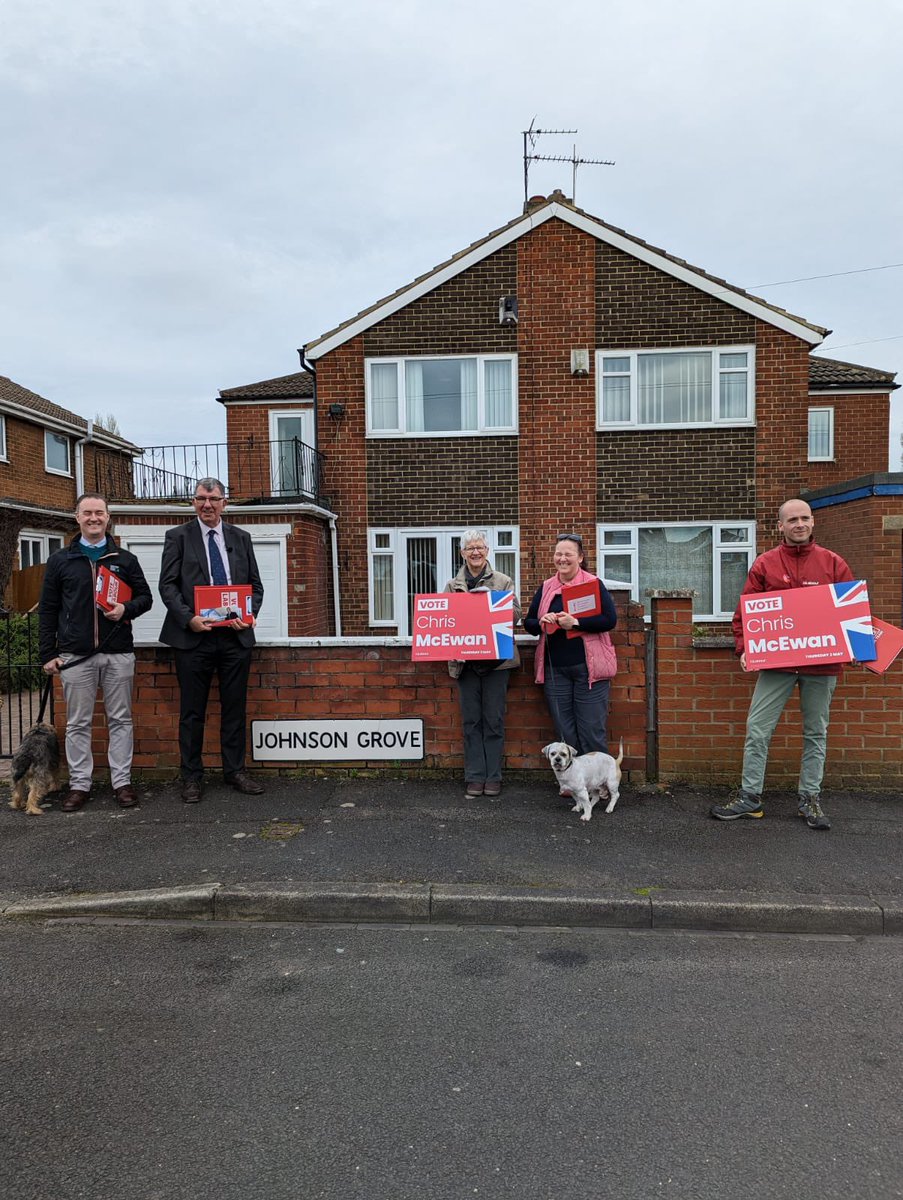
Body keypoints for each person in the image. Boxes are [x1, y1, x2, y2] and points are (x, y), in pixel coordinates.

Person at [710, 498, 854, 831]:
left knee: (816, 733)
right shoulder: (765, 564)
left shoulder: (833, 564)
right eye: (792, 520)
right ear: (780, 526)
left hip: (823, 665)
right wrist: (745, 648)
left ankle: (810, 799)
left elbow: (852, 614)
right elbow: (745, 614)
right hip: (778, 663)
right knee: (758, 730)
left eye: (804, 518)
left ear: (813, 522)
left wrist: (857, 646)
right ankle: (750, 798)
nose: (799, 524)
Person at [38, 492, 153, 811]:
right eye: (87, 512)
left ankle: (122, 783)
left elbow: (146, 598)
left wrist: (125, 608)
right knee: (77, 723)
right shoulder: (61, 560)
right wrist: (48, 653)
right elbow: (48, 609)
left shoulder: (125, 559)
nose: (93, 518)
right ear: (76, 517)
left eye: (99, 513)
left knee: (120, 720)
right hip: (75, 655)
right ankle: (79, 785)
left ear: (107, 517)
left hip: (118, 652)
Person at [159, 477, 265, 802]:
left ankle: (234, 771)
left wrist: (248, 614)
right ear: (193, 502)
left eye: (213, 498)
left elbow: (255, 587)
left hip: (234, 640)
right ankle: (191, 777)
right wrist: (189, 618)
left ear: (224, 502)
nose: (207, 504)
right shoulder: (177, 537)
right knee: (192, 712)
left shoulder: (241, 538)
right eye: (201, 498)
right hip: (194, 639)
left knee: (234, 708)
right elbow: (168, 586)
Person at [524, 533, 618, 756]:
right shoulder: (546, 586)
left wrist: (575, 622)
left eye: (568, 554)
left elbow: (609, 620)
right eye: (558, 553)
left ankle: (597, 786)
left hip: (589, 669)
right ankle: (572, 783)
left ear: (580, 557)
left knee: (591, 730)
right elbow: (528, 623)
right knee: (564, 731)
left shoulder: (593, 583)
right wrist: (541, 621)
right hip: (555, 669)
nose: (562, 558)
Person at [445, 530, 521, 799]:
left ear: (487, 551)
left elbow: (516, 616)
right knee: (471, 722)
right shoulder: (452, 585)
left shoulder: (503, 581)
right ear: (462, 553)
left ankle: (494, 777)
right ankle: (475, 777)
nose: (475, 552)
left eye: (479, 547)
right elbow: (445, 621)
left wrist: (492, 600)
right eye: (469, 548)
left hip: (496, 664)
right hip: (465, 664)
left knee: (493, 721)